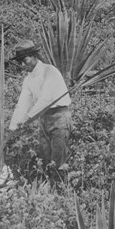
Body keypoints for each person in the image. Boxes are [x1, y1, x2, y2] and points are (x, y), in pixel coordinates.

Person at [9, 40, 72, 170]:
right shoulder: (28, 79)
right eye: (19, 61)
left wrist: (27, 119)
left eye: (24, 60)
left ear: (34, 56)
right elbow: (23, 104)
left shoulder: (50, 71)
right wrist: (13, 127)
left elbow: (46, 99)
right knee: (45, 159)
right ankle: (47, 188)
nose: (22, 64)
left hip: (59, 117)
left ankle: (60, 187)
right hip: (43, 120)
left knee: (58, 159)